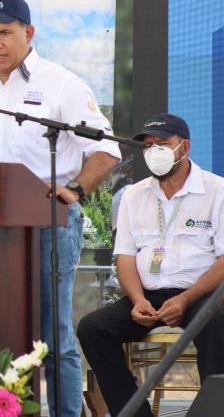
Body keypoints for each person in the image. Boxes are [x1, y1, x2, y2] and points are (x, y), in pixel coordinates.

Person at [0, 0, 121, 417]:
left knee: (52, 333)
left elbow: (107, 150)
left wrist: (75, 190)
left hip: (48, 224)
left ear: (29, 32)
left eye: (4, 33)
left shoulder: (61, 83)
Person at [78, 114, 224, 417]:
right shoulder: (134, 194)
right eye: (148, 145)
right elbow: (126, 257)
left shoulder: (216, 190)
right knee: (92, 328)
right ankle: (134, 414)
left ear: (184, 147)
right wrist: (137, 300)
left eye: (163, 144)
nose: (153, 151)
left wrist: (185, 299)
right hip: (149, 296)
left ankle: (215, 411)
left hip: (199, 295)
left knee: (216, 322)